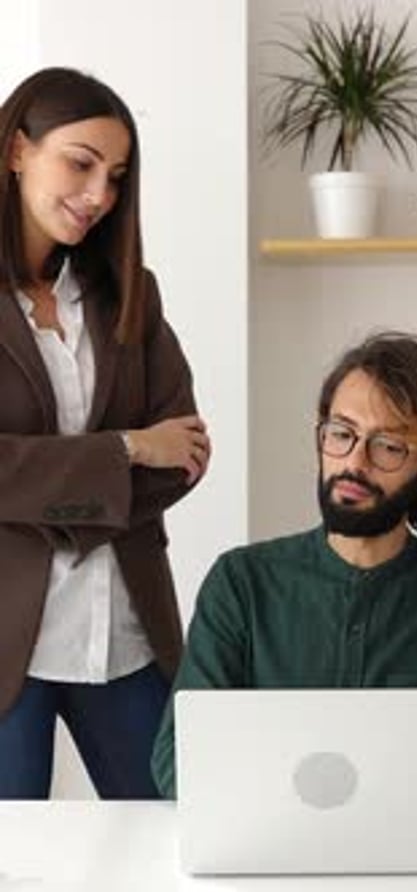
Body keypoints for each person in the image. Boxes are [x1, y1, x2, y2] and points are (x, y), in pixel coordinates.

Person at [152, 331, 417, 808]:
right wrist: (395, 783)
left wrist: (336, 790)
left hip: (412, 855)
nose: (354, 462)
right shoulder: (241, 582)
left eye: (388, 445)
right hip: (271, 849)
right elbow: (178, 761)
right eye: (341, 433)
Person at [0, 66, 211, 798]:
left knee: (176, 833)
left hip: (123, 631)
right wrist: (125, 448)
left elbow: (183, 453)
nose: (99, 194)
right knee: (11, 850)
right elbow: (149, 450)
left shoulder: (130, 294)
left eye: (116, 177)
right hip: (7, 642)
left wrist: (41, 491)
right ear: (17, 151)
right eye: (80, 163)